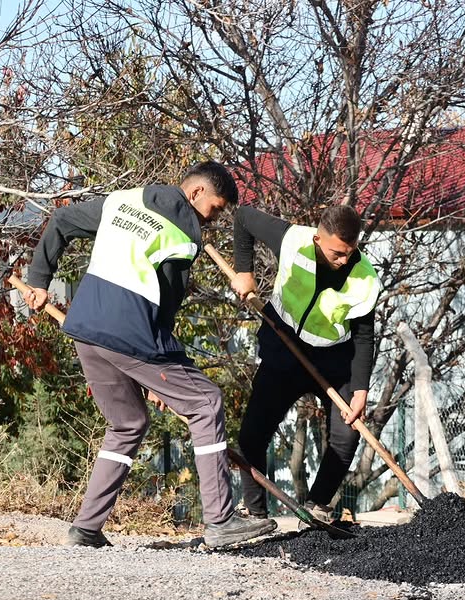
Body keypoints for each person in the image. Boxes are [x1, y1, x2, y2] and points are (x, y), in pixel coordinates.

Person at [23, 161, 278, 549]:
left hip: (86, 327)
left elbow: (61, 220)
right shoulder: (184, 232)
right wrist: (163, 367)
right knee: (207, 402)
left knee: (127, 423)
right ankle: (221, 520)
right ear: (195, 194)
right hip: (131, 333)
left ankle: (86, 528)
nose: (214, 219)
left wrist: (39, 280)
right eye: (216, 207)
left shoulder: (122, 202)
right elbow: (167, 306)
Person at [230, 204, 381, 523]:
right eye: (336, 252)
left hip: (333, 359)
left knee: (347, 435)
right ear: (317, 239)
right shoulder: (291, 240)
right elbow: (243, 217)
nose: (343, 261)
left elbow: (364, 335)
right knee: (252, 436)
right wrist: (244, 271)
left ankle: (318, 507)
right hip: (284, 349)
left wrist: (360, 390)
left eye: (349, 252)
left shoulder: (364, 276)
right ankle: (255, 512)